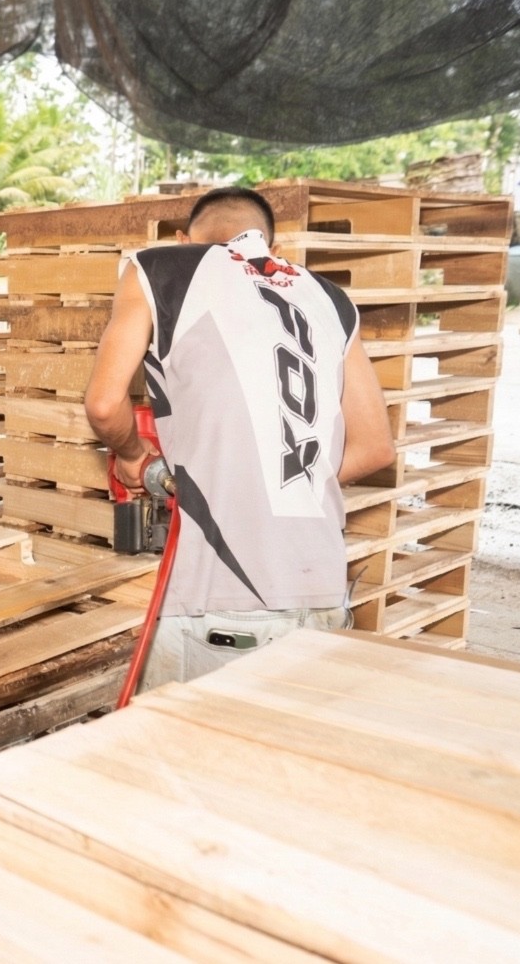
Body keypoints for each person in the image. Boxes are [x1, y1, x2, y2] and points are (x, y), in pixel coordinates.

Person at [85, 186, 396, 688]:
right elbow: (376, 448)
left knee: (179, 756)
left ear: (186, 240)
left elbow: (104, 405)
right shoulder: (329, 298)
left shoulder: (160, 268)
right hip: (323, 594)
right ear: (271, 247)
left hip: (222, 606)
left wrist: (133, 455)